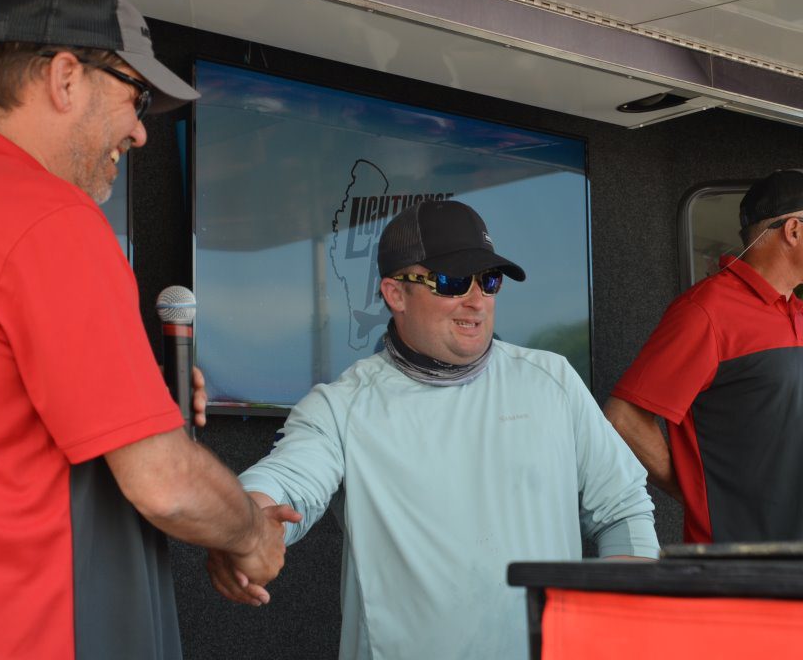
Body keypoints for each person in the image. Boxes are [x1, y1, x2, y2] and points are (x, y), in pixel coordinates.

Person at [0, 0, 298, 660]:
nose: (140, 132)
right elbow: (167, 485)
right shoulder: (47, 218)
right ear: (64, 78)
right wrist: (252, 535)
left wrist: (140, 399)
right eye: (135, 96)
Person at [208, 199, 659, 660]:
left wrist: (620, 624)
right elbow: (283, 483)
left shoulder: (553, 380)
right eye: (452, 281)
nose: (476, 300)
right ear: (395, 294)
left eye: (489, 280)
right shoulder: (343, 406)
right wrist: (243, 530)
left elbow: (623, 509)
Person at [606, 169, 803, 544]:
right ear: (793, 230)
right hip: (739, 562)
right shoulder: (707, 310)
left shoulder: (797, 310)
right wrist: (694, 497)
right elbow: (624, 417)